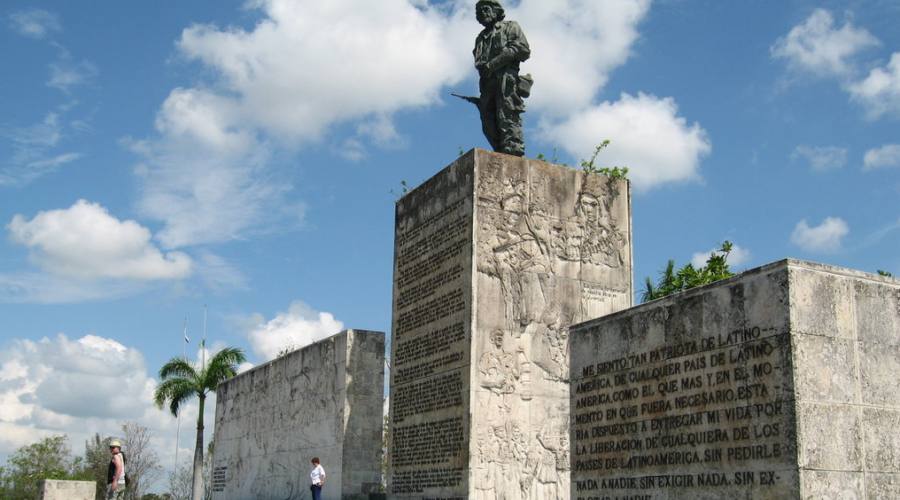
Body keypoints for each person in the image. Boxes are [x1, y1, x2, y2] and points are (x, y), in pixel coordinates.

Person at [473, 0, 532, 157]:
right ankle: (500, 150)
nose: (482, 13)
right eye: (478, 12)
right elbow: (478, 61)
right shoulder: (480, 38)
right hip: (487, 83)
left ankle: (513, 149)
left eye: (486, 9)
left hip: (506, 78)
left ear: (495, 11)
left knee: (507, 114)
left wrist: (493, 64)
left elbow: (523, 49)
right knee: (487, 120)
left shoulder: (511, 27)